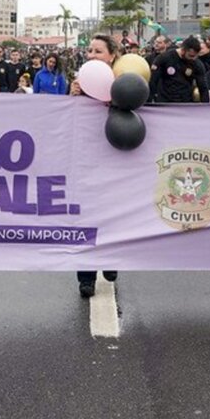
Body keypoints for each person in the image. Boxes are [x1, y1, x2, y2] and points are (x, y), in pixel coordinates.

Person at [68, 35, 119, 296]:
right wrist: (74, 95)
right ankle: (85, 276)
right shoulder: (81, 83)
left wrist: (116, 101)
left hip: (115, 159)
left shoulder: (125, 81)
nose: (91, 55)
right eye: (89, 50)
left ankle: (111, 262)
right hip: (86, 160)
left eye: (98, 51)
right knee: (85, 218)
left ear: (111, 55)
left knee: (112, 215)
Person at [149, 35, 210, 103]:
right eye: (191, 56)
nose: (193, 59)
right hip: (165, 102)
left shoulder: (197, 64)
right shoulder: (164, 58)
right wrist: (149, 103)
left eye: (196, 56)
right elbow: (153, 81)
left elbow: (203, 87)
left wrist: (206, 107)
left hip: (185, 103)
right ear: (183, 50)